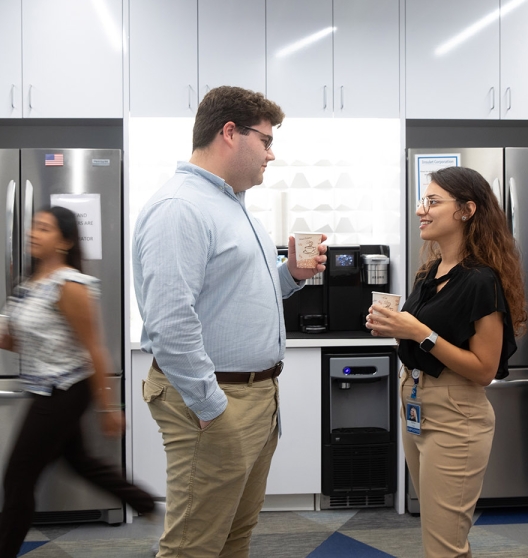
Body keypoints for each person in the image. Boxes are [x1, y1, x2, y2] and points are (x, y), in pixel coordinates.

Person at [132, 85, 327, 558]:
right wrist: (211, 406)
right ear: (229, 133)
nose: (272, 154)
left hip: (255, 397)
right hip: (215, 400)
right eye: (265, 140)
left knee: (233, 537)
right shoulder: (181, 208)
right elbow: (170, 322)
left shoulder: (233, 205)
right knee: (193, 546)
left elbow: (241, 296)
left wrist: (291, 276)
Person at [366, 166, 527, 558]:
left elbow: (484, 370)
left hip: (456, 412)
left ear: (467, 210)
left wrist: (419, 331)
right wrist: (396, 329)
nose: (422, 210)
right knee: (442, 534)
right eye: (425, 201)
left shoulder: (480, 280)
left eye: (433, 202)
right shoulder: (430, 273)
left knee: (443, 545)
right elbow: (421, 336)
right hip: (417, 404)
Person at [0, 206, 155, 558]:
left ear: (65, 241)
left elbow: (95, 350)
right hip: (45, 388)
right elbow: (12, 340)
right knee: (80, 462)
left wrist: (109, 408)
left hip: (65, 391)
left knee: (17, 477)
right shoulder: (29, 284)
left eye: (44, 228)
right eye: (34, 227)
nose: (33, 233)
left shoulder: (70, 285)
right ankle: (144, 501)